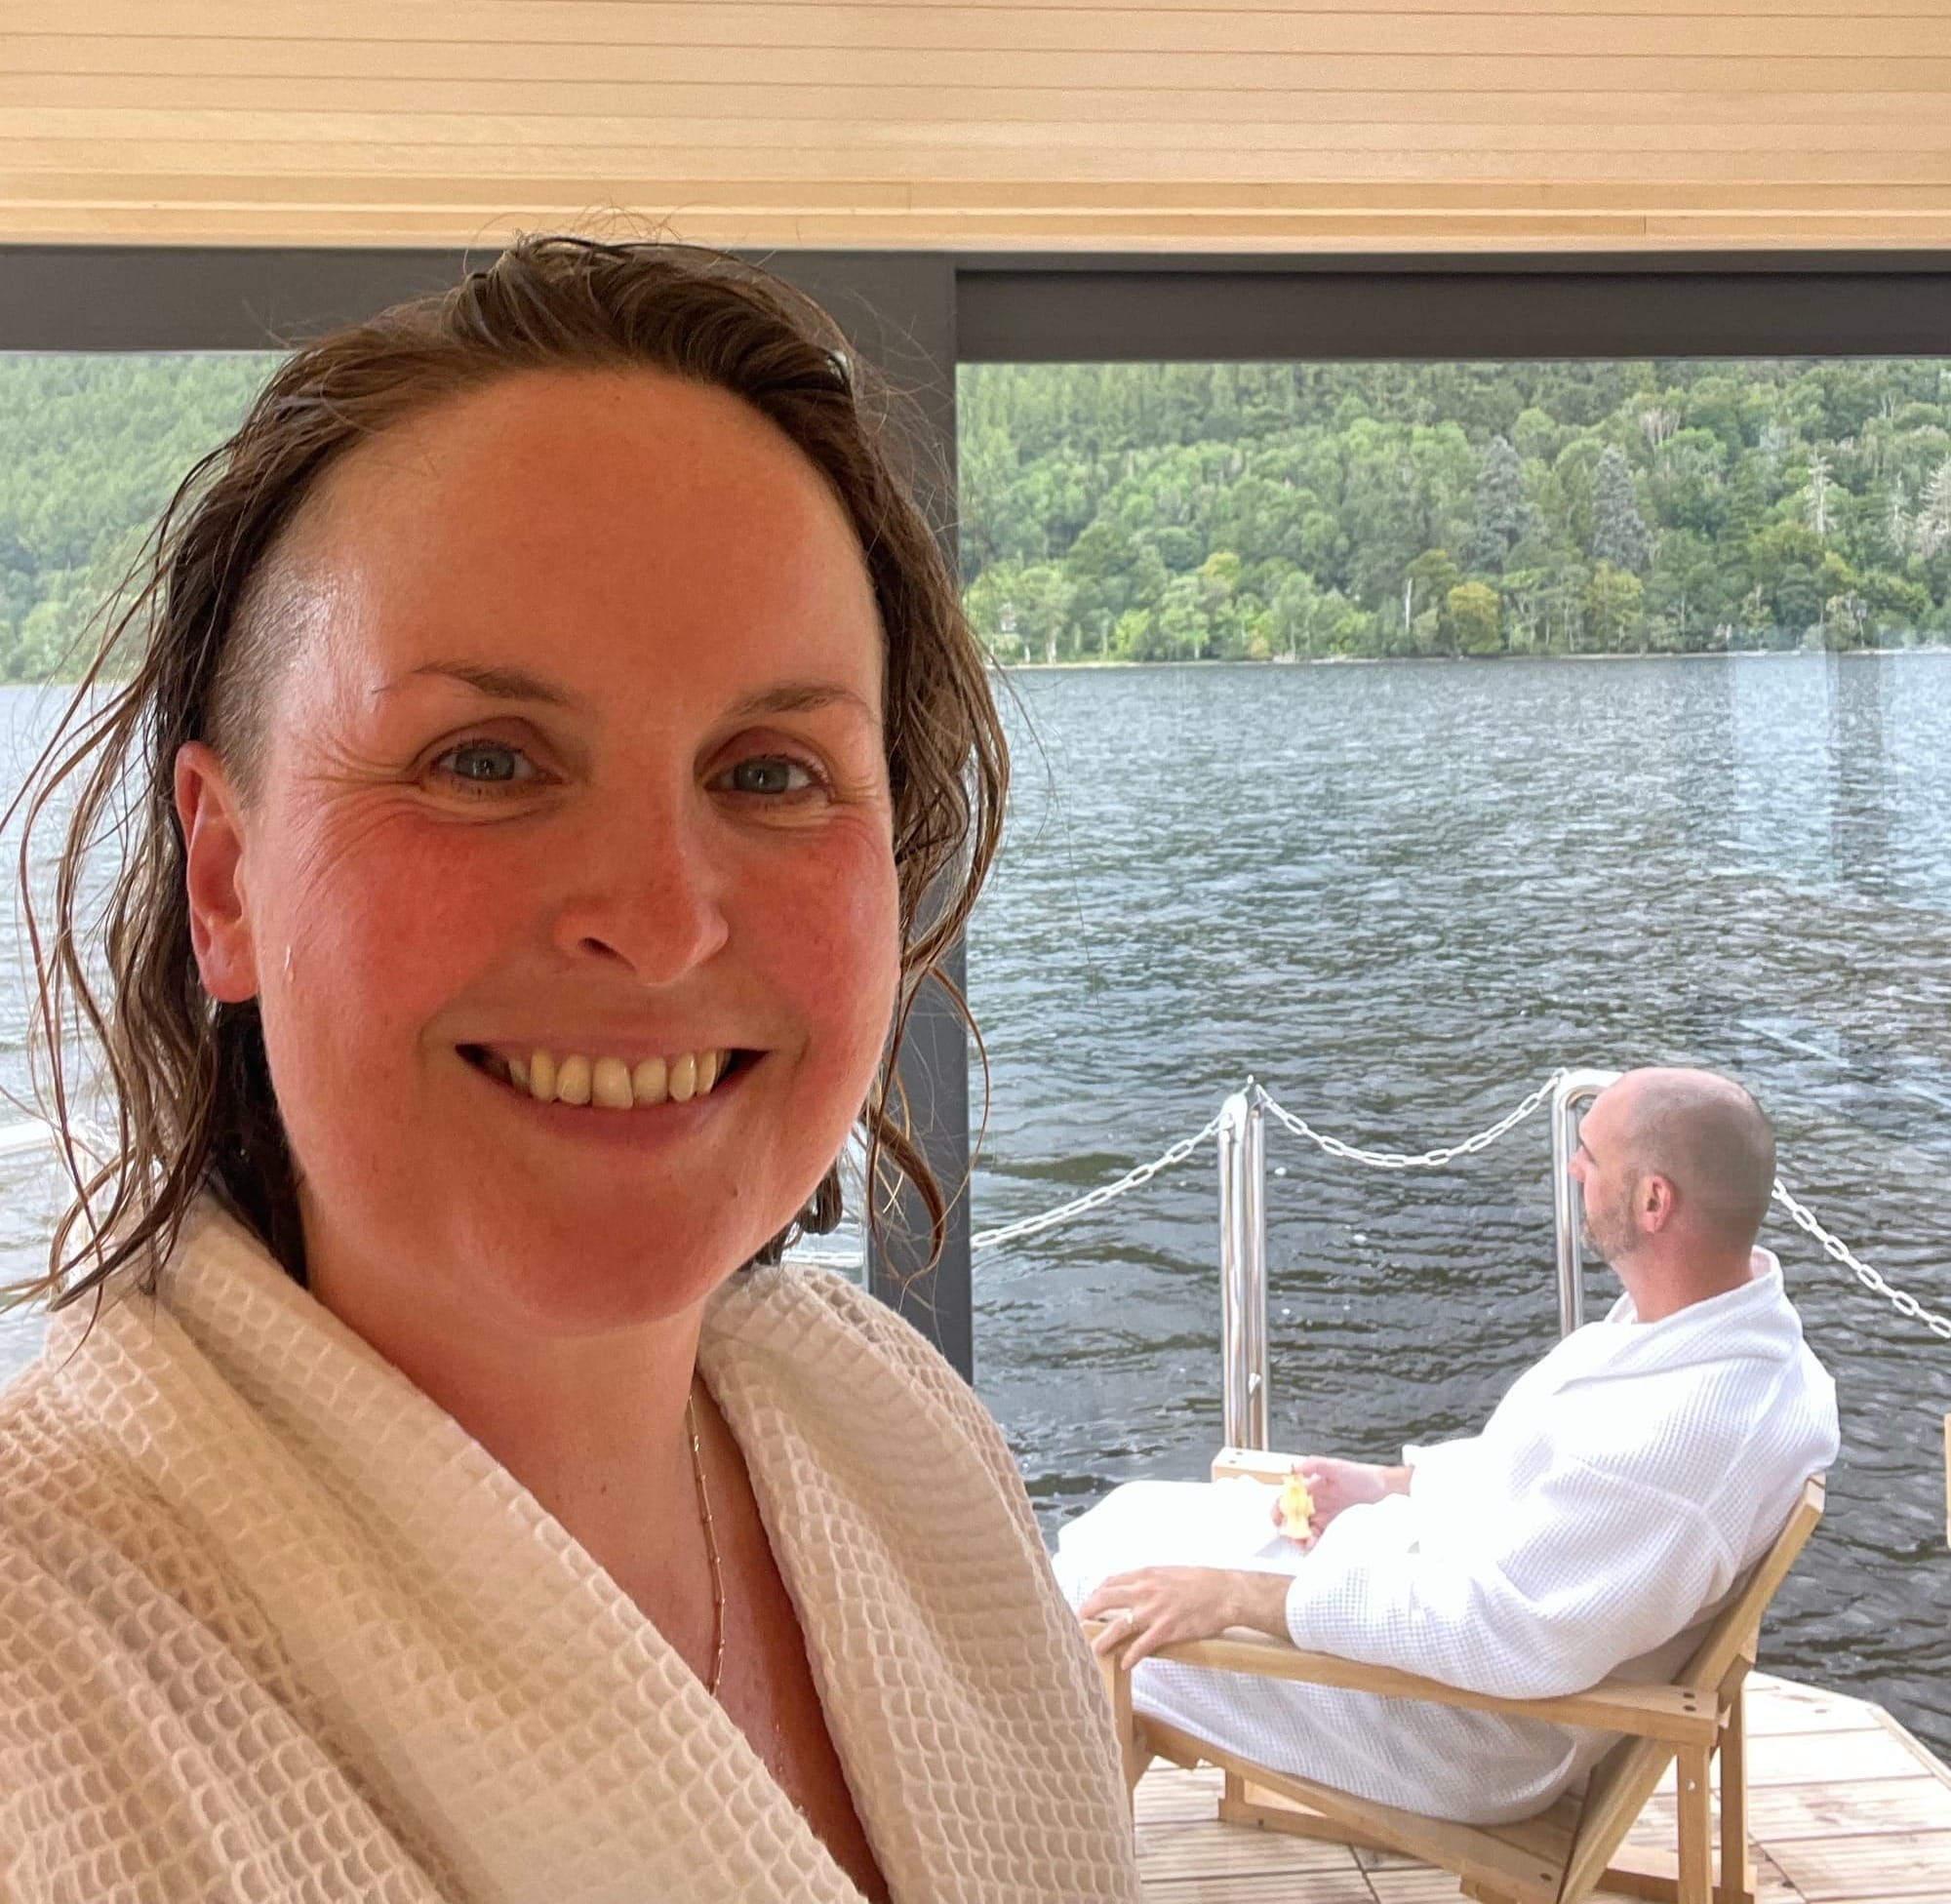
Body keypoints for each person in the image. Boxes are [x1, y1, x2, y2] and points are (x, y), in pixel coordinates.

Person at [0, 238, 1142, 1903]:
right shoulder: (43, 1660)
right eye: (483, 759)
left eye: (769, 770)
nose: (662, 922)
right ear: (226, 874)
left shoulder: (900, 1437)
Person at [1063, 1065, 1840, 1826]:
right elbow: (1547, 1478)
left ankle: (1036, 1854)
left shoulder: (1684, 1443)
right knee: (1124, 1521)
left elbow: (1499, 1631)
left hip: (1458, 1731)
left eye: (1589, 1154)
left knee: (1091, 1606)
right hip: (1433, 1623)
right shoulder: (1726, 1341)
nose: (1571, 1164)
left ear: (1652, 1201)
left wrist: (1234, 1598)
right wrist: (1392, 1485)